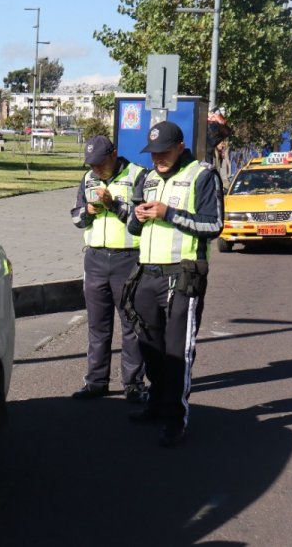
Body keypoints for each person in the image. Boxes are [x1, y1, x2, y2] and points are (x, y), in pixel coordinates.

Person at [124, 121, 224, 447]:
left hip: (183, 274)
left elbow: (214, 225)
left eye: (164, 152)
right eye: (153, 154)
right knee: (149, 346)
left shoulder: (202, 174)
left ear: (180, 146)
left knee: (177, 351)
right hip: (147, 273)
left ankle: (175, 418)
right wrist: (135, 217)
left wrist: (168, 212)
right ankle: (156, 402)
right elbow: (134, 227)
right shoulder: (149, 178)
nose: (158, 160)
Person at [69, 135, 148, 403]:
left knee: (131, 325)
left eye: (100, 163)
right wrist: (88, 211)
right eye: (91, 164)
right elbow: (76, 217)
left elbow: (140, 218)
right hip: (95, 259)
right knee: (97, 326)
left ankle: (134, 384)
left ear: (113, 155)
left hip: (128, 259)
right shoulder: (88, 179)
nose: (96, 169)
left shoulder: (138, 175)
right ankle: (96, 382)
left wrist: (113, 204)